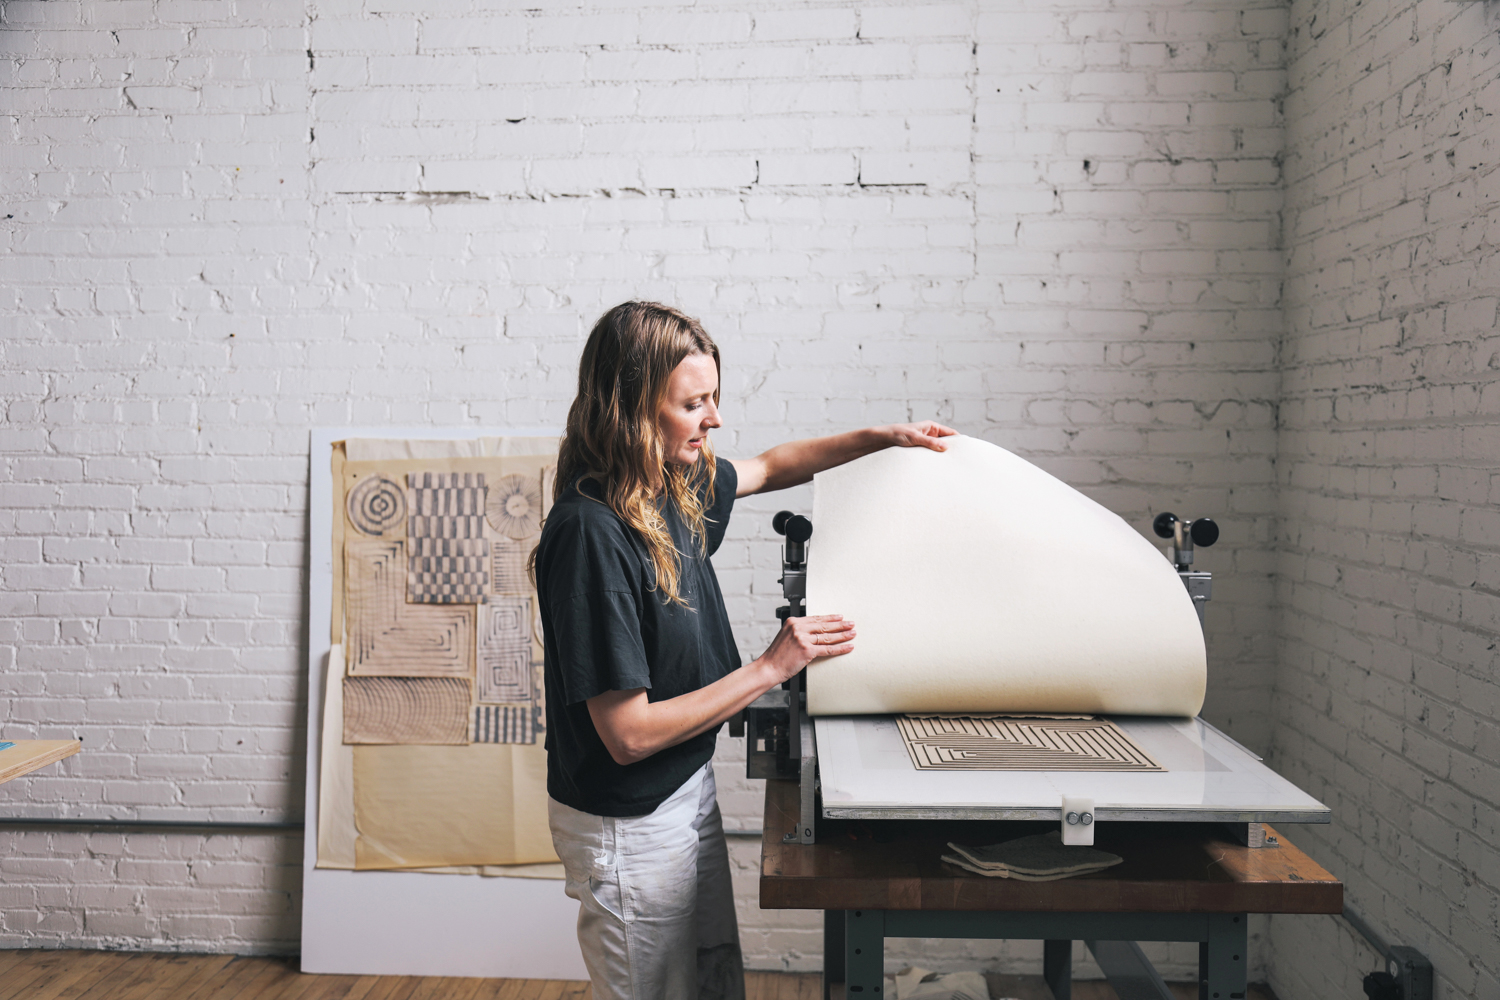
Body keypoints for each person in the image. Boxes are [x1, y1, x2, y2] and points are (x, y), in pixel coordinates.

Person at [534, 301, 955, 1000]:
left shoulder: (667, 484)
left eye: (714, 399)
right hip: (629, 822)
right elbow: (628, 735)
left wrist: (885, 436)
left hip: (681, 791)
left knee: (711, 983)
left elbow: (771, 465)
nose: (714, 419)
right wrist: (770, 666)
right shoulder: (590, 534)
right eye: (693, 404)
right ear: (631, 410)